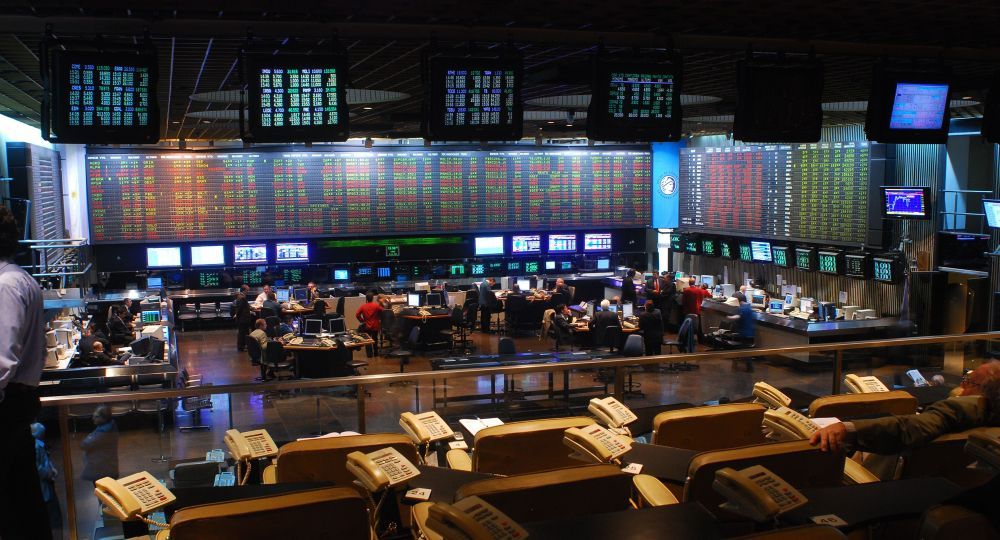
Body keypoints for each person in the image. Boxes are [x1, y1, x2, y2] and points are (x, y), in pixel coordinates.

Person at [810, 361, 1000, 455]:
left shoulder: (959, 409)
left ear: (981, 390)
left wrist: (848, 428)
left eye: (968, 381)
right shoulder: (990, 414)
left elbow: (906, 428)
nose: (962, 384)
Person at [0, 205, 51, 540]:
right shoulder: (21, 279)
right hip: (19, 403)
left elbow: (2, 360)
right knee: (23, 502)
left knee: (13, 507)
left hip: (7, 408)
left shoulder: (5, 286)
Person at [31, 422, 62, 535]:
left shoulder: (39, 443)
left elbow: (45, 459)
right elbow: (37, 467)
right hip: (44, 483)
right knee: (52, 511)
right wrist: (48, 472)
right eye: (42, 433)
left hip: (48, 481)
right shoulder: (35, 446)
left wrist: (51, 468)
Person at [81, 405, 119, 486]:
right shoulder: (111, 424)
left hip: (101, 470)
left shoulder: (103, 432)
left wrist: (89, 436)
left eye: (96, 417)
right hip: (105, 467)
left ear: (104, 418)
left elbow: (84, 444)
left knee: (102, 491)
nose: (93, 418)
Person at [681, 278, 712, 343]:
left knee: (688, 324)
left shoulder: (686, 290)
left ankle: (688, 339)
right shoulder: (699, 290)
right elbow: (702, 299)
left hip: (688, 310)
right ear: (694, 283)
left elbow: (683, 301)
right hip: (697, 310)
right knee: (699, 325)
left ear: (689, 283)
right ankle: (700, 340)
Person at [356, 292, 384, 357]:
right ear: (372, 298)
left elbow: (357, 314)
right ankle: (376, 353)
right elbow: (383, 311)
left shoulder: (363, 306)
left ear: (366, 299)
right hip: (375, 326)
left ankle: (369, 355)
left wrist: (362, 320)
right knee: (375, 339)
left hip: (367, 326)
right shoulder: (376, 306)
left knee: (368, 340)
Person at [233, 286, 252, 351]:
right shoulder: (242, 298)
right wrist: (237, 316)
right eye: (247, 290)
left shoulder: (240, 296)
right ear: (244, 290)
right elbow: (239, 309)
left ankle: (244, 346)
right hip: (243, 319)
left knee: (244, 333)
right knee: (242, 334)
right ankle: (241, 347)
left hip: (242, 319)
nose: (248, 291)